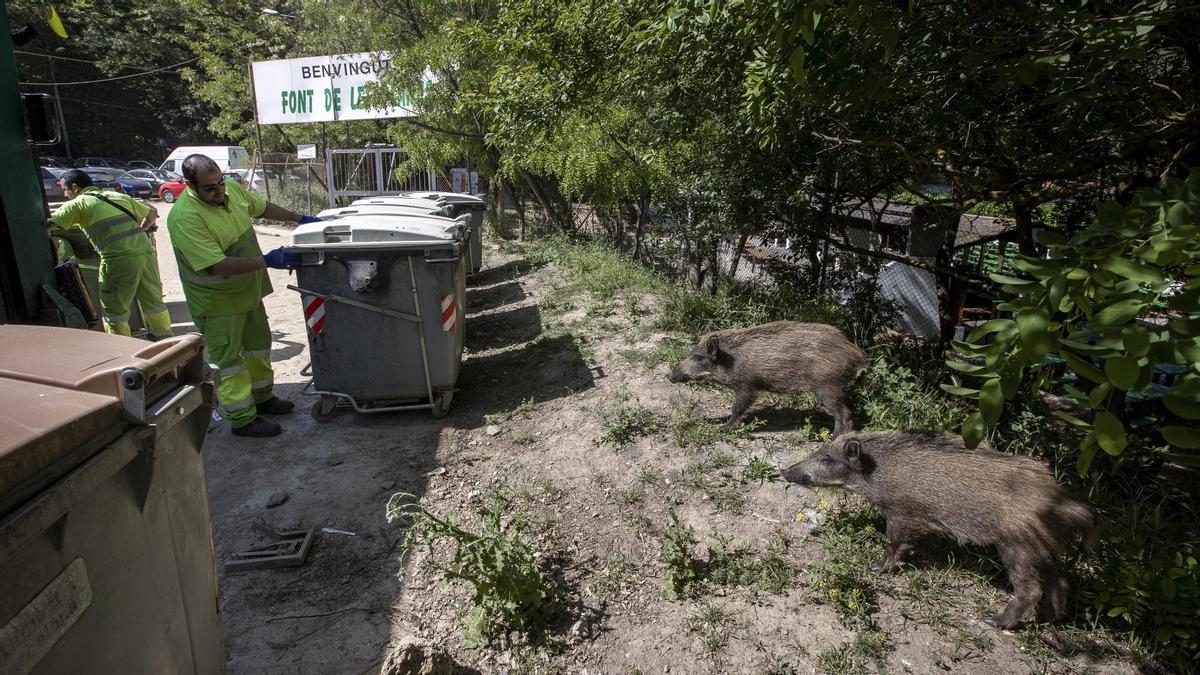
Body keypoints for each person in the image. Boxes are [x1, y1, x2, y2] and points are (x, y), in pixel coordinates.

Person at [166, 153, 321, 438]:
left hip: (248, 292)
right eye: (210, 188)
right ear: (189, 185)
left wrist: (300, 219)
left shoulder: (232, 191)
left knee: (258, 348)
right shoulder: (185, 217)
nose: (218, 191)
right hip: (217, 303)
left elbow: (261, 208)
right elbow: (215, 265)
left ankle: (263, 398)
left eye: (220, 183)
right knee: (229, 363)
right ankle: (242, 419)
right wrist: (268, 260)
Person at [48, 169, 174, 339]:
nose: (64, 195)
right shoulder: (118, 196)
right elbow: (152, 213)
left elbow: (49, 227)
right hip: (145, 254)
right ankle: (165, 339)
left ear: (75, 187)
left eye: (65, 189)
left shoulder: (77, 204)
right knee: (153, 301)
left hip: (118, 259)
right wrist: (142, 229)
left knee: (114, 310)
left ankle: (123, 349)